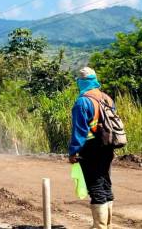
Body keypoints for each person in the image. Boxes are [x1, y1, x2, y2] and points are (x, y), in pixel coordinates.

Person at [69, 67, 115, 229]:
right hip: (108, 147)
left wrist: (73, 151)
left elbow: (80, 130)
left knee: (95, 187)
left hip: (90, 149)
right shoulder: (106, 98)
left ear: (81, 82)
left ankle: (99, 227)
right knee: (105, 183)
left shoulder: (83, 101)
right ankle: (106, 225)